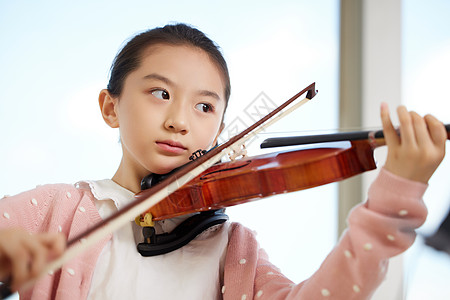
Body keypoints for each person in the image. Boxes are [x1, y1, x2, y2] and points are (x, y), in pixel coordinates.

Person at [0, 23, 447, 300]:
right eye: (161, 94)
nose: (179, 121)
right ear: (111, 106)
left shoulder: (232, 248)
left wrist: (392, 203)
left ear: (219, 129)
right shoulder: (55, 211)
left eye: (205, 107)